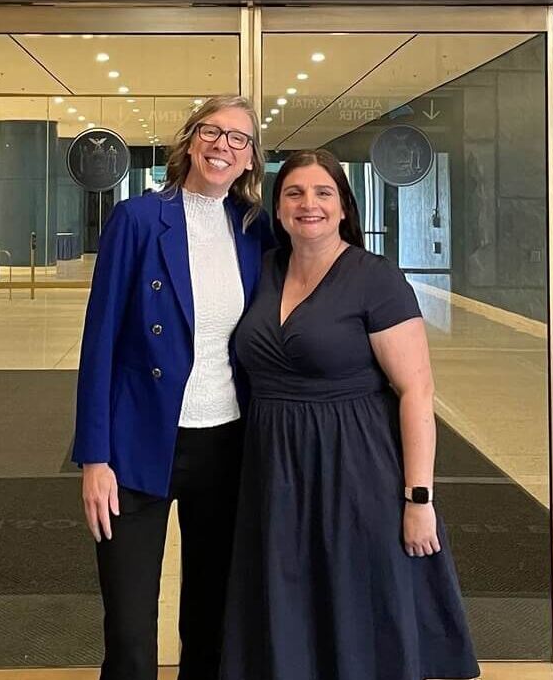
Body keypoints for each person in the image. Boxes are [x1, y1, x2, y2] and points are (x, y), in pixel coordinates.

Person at [221, 149, 478, 680]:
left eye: (323, 193)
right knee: (288, 599)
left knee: (357, 601)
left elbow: (416, 392)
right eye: (293, 193)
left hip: (356, 467)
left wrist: (419, 499)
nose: (307, 204)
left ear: (343, 208)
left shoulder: (375, 278)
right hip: (273, 469)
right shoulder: (264, 268)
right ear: (278, 205)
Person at [72, 96, 275, 680]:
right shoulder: (137, 219)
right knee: (131, 630)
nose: (222, 146)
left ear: (250, 161)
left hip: (226, 443)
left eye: (239, 139)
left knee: (211, 620)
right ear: (189, 141)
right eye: (212, 132)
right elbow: (100, 339)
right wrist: (94, 457)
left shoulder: (254, 230)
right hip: (138, 443)